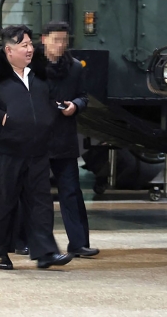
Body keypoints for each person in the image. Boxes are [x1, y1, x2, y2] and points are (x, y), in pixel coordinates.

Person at [0, 24, 72, 270]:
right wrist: (2, 117)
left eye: (30, 45)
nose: (30, 50)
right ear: (8, 49)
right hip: (4, 151)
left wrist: (51, 115)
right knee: (3, 204)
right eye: (23, 45)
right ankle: (1, 253)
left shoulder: (39, 72)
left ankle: (46, 253)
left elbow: (48, 98)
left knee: (41, 204)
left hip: (36, 149)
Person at [41, 21, 99, 258]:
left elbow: (84, 96)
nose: (61, 45)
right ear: (44, 39)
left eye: (64, 40)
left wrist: (75, 105)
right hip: (37, 137)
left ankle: (78, 243)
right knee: (36, 193)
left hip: (64, 136)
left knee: (71, 192)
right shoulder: (31, 65)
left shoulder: (74, 67)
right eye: (56, 39)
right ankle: (31, 241)